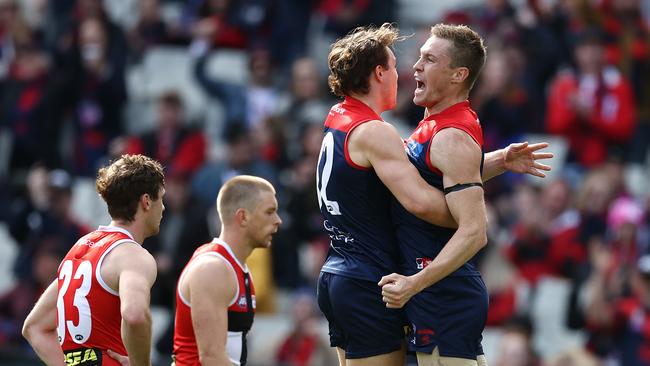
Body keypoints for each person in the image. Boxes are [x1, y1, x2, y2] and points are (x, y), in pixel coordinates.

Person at [317, 23, 551, 366]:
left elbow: (470, 224)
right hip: (384, 281)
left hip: (428, 291)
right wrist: (469, 200)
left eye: (428, 58)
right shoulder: (397, 131)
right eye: (406, 62)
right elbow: (427, 193)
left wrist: (480, 189)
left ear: (458, 75)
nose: (413, 67)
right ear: (378, 73)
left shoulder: (342, 117)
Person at [22, 154, 165, 365]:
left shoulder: (78, 249)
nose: (162, 207)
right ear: (146, 201)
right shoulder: (134, 256)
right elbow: (135, 315)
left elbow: (34, 328)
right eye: (161, 198)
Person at [172, 175, 282, 365]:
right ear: (243, 217)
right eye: (270, 212)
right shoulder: (213, 269)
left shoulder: (235, 267)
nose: (278, 220)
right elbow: (211, 357)